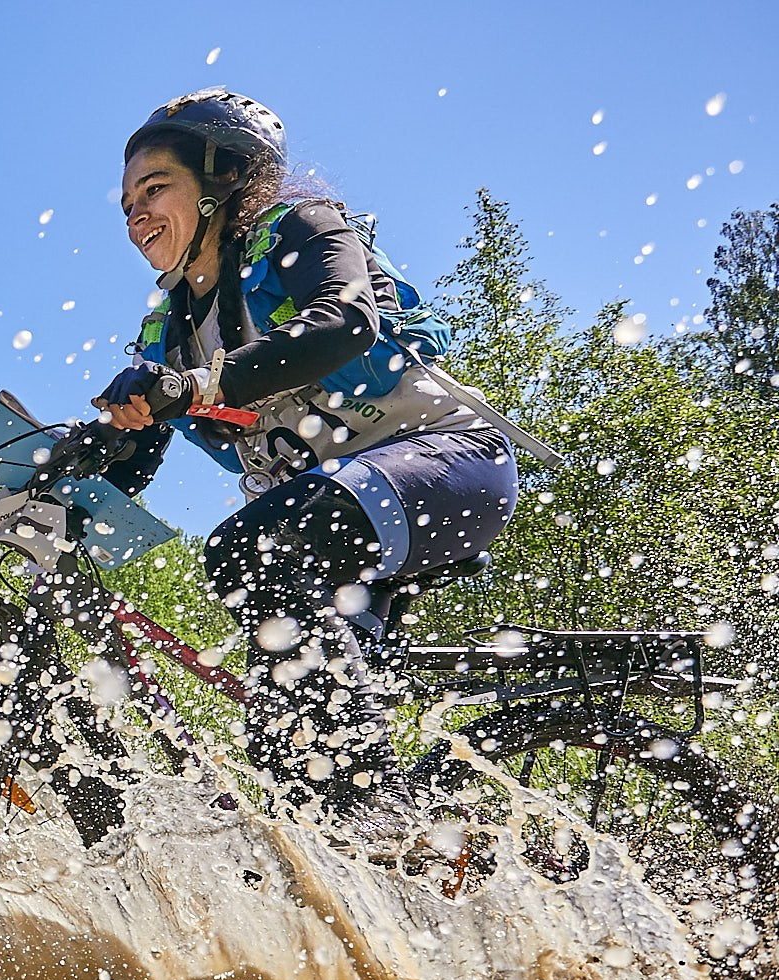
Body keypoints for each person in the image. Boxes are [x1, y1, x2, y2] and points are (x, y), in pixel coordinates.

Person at [89, 88, 524, 824]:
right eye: (126, 199)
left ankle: (374, 811)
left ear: (223, 176)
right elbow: (129, 463)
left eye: (155, 188)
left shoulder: (299, 230)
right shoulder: (166, 329)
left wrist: (197, 384)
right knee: (287, 748)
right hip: (338, 521)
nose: (134, 213)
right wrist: (46, 475)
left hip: (452, 464)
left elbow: (345, 321)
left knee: (251, 545)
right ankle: (395, 871)